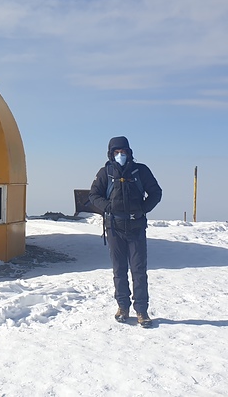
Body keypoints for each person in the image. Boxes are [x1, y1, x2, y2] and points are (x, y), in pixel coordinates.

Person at [88, 136, 162, 327]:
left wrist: (143, 209)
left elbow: (156, 192)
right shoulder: (106, 172)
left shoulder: (140, 171)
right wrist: (107, 207)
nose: (120, 155)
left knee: (139, 270)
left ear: (129, 152)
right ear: (111, 154)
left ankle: (141, 311)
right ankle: (123, 307)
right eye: (116, 152)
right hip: (115, 228)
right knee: (119, 270)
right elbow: (93, 194)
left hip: (136, 227)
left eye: (123, 151)